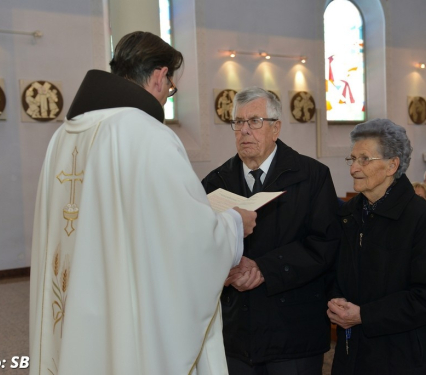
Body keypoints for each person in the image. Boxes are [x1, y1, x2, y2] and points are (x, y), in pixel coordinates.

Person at [29, 31, 257, 375]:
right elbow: (189, 240)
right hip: (123, 311)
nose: (166, 96)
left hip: (78, 303)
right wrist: (236, 223)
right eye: (170, 87)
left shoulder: (63, 136)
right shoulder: (147, 134)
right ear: (159, 76)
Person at [202, 87, 340, 374]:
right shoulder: (214, 183)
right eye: (238, 122)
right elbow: (201, 244)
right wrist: (224, 268)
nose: (244, 131)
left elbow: (325, 245)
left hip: (293, 333)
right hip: (236, 331)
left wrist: (264, 268)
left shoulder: (312, 176)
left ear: (275, 128)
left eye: (255, 122)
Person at [328, 119, 426, 374]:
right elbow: (336, 267)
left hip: (407, 355)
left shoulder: (424, 218)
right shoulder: (350, 213)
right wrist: (336, 298)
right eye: (352, 159)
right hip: (355, 351)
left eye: (364, 159)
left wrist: (366, 314)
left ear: (392, 165)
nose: (353, 168)